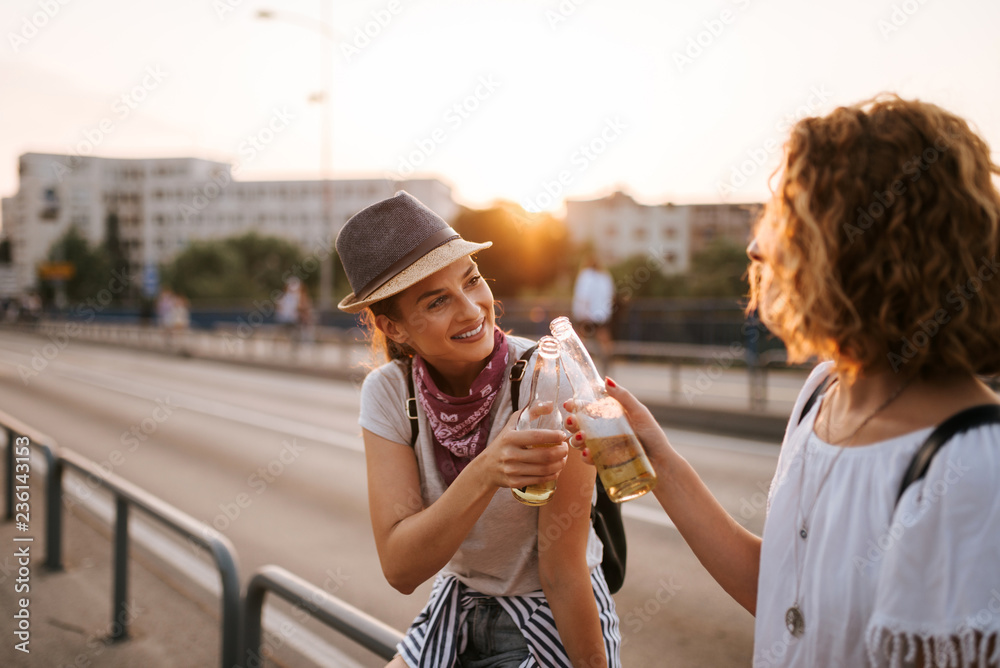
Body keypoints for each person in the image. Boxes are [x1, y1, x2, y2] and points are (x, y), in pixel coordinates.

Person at [565, 95, 1000, 667]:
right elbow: (781, 598)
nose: (757, 244)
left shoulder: (972, 464)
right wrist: (658, 460)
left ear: (868, 247)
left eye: (788, 218)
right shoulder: (824, 390)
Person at [337, 191, 620, 668]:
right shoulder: (388, 391)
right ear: (396, 327)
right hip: (456, 604)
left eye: (472, 281)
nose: (471, 310)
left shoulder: (548, 377)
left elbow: (563, 573)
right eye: (438, 301)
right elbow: (401, 567)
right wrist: (487, 470)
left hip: (547, 617)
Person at [571, 254, 615, 377]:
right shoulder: (605, 277)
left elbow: (582, 296)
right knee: (605, 344)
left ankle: (579, 371)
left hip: (586, 315)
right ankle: (607, 371)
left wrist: (581, 313)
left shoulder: (585, 275)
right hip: (602, 315)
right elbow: (611, 295)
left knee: (579, 344)